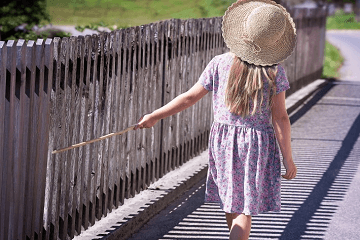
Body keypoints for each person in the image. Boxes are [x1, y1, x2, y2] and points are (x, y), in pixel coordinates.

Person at [135, 0, 297, 239]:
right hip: (256, 145)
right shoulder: (274, 72)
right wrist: (288, 158)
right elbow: (280, 117)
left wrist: (154, 116)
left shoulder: (219, 63)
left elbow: (189, 98)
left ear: (243, 32)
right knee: (243, 208)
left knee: (232, 202)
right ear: (274, 43)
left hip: (223, 142)